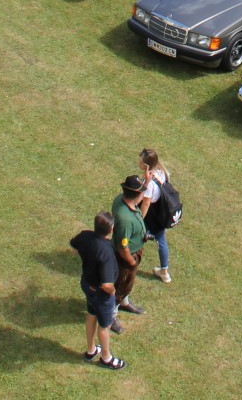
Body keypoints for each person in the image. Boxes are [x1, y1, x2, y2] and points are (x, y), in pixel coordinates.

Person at [72, 213, 125, 369]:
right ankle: (106, 358)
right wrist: (113, 292)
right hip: (102, 294)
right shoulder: (106, 251)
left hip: (87, 285)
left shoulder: (85, 236)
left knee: (91, 315)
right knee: (104, 326)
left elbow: (74, 246)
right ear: (110, 229)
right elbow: (107, 284)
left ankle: (91, 350)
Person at [111, 175, 148, 317]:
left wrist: (147, 181)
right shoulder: (125, 219)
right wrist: (132, 262)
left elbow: (137, 200)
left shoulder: (122, 200)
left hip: (132, 254)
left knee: (127, 283)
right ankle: (112, 315)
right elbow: (123, 248)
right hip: (126, 258)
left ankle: (124, 302)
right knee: (121, 286)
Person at [138, 148, 174, 284]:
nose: (138, 163)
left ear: (146, 165)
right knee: (161, 241)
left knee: (135, 234)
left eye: (140, 161)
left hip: (151, 215)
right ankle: (164, 272)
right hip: (160, 213)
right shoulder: (162, 172)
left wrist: (139, 220)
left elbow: (145, 204)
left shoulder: (150, 184)